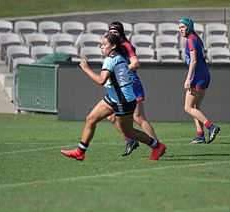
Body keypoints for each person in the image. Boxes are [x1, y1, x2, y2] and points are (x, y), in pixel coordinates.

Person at [60, 33, 166, 161]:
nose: (102, 47)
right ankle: (80, 151)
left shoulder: (111, 59)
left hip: (123, 100)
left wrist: (86, 69)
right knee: (91, 119)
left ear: (114, 46)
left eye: (104, 44)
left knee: (128, 131)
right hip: (114, 97)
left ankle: (157, 146)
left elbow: (101, 81)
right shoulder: (117, 57)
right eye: (101, 45)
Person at [107, 21, 158, 156]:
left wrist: (120, 71)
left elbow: (135, 63)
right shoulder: (113, 48)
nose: (113, 34)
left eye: (115, 32)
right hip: (120, 88)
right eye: (110, 32)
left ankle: (157, 145)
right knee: (112, 118)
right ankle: (131, 141)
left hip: (132, 85)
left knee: (139, 117)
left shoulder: (125, 45)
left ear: (121, 33)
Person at [178, 17, 220, 144]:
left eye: (183, 27)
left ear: (189, 27)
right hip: (204, 75)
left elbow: (194, 60)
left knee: (188, 107)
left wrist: (188, 78)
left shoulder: (191, 40)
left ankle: (211, 127)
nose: (181, 30)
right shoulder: (196, 39)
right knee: (196, 107)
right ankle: (200, 135)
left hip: (197, 77)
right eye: (179, 28)